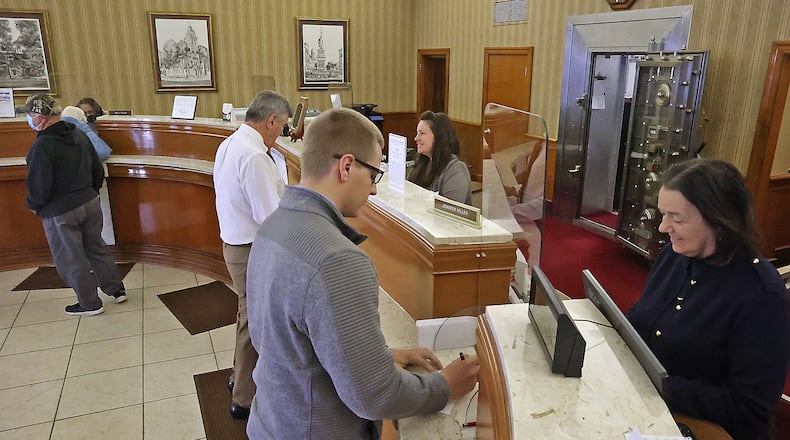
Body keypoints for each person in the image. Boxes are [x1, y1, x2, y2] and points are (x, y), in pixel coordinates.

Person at [246, 108, 480, 439]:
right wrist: (444, 385)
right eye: (373, 175)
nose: (373, 191)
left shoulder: (272, 226)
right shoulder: (339, 260)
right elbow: (374, 396)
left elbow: (294, 342)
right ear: (346, 167)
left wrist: (379, 356)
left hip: (272, 420)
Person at [626, 159, 790, 440]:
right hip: (653, 406)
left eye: (677, 219)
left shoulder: (762, 295)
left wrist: (655, 384)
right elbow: (643, 319)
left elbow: (747, 406)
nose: (664, 227)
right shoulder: (673, 256)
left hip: (712, 429)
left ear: (719, 219)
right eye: (663, 214)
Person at [213, 90, 292, 420]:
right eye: (284, 125)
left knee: (246, 314)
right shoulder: (256, 156)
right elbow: (270, 217)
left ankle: (237, 377)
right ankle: (244, 398)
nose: (283, 132)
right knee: (253, 322)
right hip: (251, 249)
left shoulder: (230, 143)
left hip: (234, 244)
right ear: (271, 120)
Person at [19, 94, 127, 316]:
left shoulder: (42, 146)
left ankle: (89, 304)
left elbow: (39, 185)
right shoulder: (78, 133)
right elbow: (96, 167)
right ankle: (116, 289)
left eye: (30, 115)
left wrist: (35, 205)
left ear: (39, 118)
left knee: (71, 258)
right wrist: (92, 191)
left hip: (60, 211)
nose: (29, 119)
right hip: (89, 201)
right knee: (96, 247)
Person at [409, 110, 472, 204]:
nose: (416, 138)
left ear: (439, 137)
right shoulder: (423, 163)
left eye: (422, 133)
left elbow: (450, 211)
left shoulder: (456, 169)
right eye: (417, 133)